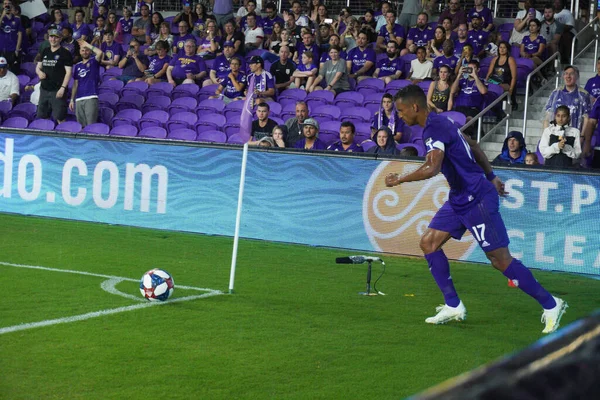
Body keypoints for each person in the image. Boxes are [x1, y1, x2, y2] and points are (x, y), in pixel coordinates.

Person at [385, 84, 567, 333]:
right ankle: (453, 305)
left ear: (415, 107)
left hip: (477, 200)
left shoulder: (435, 127)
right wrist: (491, 176)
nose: (400, 116)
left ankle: (551, 304)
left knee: (500, 260)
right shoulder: (442, 121)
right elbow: (473, 145)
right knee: (428, 243)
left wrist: (400, 179)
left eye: (401, 110)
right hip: (460, 198)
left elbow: (432, 168)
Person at [36, 28, 73, 124]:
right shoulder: (45, 51)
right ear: (48, 38)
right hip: (44, 89)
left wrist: (63, 88)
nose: (53, 39)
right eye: (51, 37)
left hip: (57, 90)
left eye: (56, 37)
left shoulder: (65, 53)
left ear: (60, 39)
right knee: (43, 117)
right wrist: (39, 73)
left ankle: (63, 137)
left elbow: (68, 72)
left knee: (60, 117)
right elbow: (38, 67)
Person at [543, 66, 591, 131]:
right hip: (555, 134)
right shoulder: (555, 93)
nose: (568, 76)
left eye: (571, 74)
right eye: (566, 73)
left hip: (574, 135)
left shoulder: (583, 95)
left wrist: (582, 135)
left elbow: (587, 118)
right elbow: (547, 116)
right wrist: (546, 134)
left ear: (576, 77)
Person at [449, 60, 487, 135]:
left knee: (468, 121)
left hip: (473, 109)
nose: (470, 70)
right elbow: (452, 91)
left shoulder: (481, 81)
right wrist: (459, 75)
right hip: (459, 108)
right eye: (469, 68)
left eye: (473, 68)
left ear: (478, 69)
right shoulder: (462, 81)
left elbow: (483, 91)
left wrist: (475, 76)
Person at [70, 39, 102, 127]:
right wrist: (72, 99)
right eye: (82, 50)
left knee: (91, 126)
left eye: (87, 50)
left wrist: (87, 44)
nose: (85, 52)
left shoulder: (93, 61)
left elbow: (99, 53)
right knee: (81, 127)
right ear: (80, 52)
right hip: (79, 99)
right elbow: (75, 84)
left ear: (90, 51)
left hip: (91, 97)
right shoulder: (77, 66)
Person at [485, 41, 518, 110]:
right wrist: (486, 82)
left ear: (507, 49)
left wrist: (511, 89)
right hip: (495, 81)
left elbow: (514, 77)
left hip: (506, 83)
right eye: (500, 47)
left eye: (504, 48)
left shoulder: (510, 60)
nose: (502, 49)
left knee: (498, 86)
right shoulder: (494, 59)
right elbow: (489, 73)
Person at [0, 0, 22, 74]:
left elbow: (20, 35)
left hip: (12, 49)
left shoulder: (17, 19)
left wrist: (17, 49)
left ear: (12, 6)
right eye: (5, 4)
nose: (7, 5)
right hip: (1, 49)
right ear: (3, 6)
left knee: (14, 71)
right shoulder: (1, 18)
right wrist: (2, 16)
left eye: (9, 4)